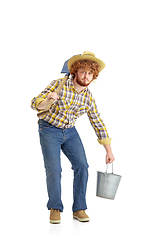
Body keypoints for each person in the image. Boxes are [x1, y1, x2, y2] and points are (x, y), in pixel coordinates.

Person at [31, 51, 115, 224]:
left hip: (70, 132)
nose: (86, 76)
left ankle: (79, 208)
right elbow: (35, 103)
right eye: (83, 71)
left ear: (94, 77)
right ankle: (55, 207)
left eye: (90, 73)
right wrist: (48, 101)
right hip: (49, 129)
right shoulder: (59, 84)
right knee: (54, 169)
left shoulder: (88, 98)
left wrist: (108, 150)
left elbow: (97, 122)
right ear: (75, 71)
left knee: (82, 165)